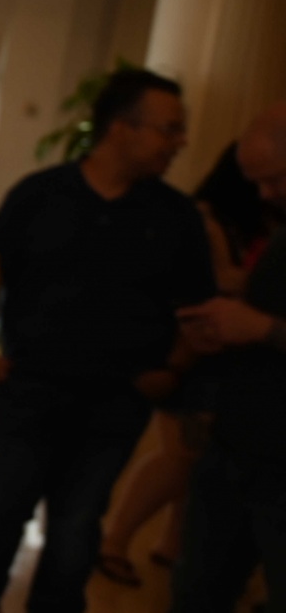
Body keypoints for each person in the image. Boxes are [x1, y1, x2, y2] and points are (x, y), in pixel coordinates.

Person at [0, 68, 217, 613]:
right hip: (30, 387)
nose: (179, 142)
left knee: (76, 524)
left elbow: (199, 310)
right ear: (121, 127)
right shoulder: (40, 195)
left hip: (117, 402)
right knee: (1, 507)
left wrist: (172, 370)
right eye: (168, 129)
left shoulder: (176, 217)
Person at [136, 104, 286, 613]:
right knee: (198, 586)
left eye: (275, 180)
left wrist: (262, 329)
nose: (267, 195)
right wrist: (224, 331)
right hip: (239, 440)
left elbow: (269, 326)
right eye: (258, 183)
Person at [96, 140, 283, 585]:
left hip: (223, 358)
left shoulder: (250, 223)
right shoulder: (205, 220)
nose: (267, 192)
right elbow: (208, 283)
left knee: (195, 460)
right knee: (181, 456)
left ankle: (170, 544)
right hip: (196, 355)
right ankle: (115, 541)